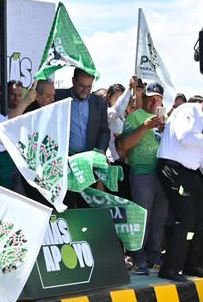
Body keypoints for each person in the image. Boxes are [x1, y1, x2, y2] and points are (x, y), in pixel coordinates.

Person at [155, 92, 203, 280]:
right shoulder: (188, 110)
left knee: (202, 217)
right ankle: (170, 267)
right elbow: (185, 137)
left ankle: (192, 265)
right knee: (186, 216)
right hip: (172, 169)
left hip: (190, 173)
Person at [119, 83, 168, 274]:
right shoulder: (134, 117)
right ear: (144, 97)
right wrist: (144, 127)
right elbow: (124, 145)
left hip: (162, 174)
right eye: (151, 97)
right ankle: (138, 257)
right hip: (141, 172)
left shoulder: (165, 119)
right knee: (142, 218)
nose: (154, 101)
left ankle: (154, 255)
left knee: (158, 218)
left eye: (158, 98)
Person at [63, 68, 112, 207]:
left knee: (85, 206)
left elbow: (104, 131)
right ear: (73, 81)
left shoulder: (99, 103)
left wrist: (101, 150)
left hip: (88, 164)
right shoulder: (58, 97)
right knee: (65, 206)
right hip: (65, 163)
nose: (85, 90)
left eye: (89, 86)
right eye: (82, 86)